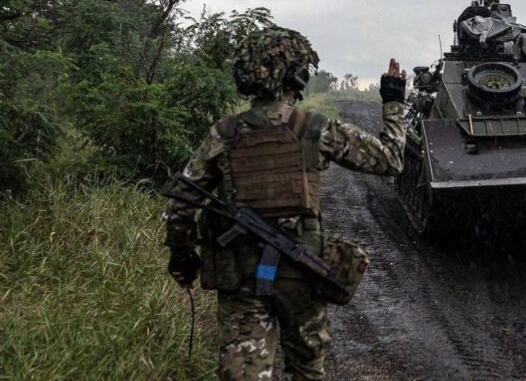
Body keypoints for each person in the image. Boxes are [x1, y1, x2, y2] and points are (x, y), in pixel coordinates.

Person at [163, 27, 407, 380]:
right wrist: (393, 102)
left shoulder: (225, 133)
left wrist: (183, 256)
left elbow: (181, 204)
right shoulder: (315, 129)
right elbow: (390, 161)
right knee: (306, 370)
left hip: (241, 277)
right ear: (299, 73)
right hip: (301, 276)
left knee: (242, 374)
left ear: (245, 74)